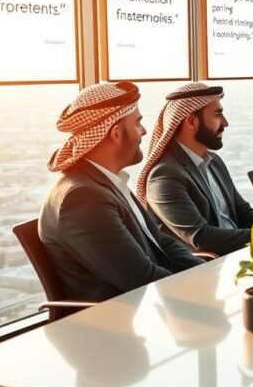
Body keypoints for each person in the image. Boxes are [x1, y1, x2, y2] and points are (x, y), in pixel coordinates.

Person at [39, 82, 203, 301]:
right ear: (116, 133)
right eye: (137, 123)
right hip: (127, 314)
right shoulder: (83, 199)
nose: (144, 131)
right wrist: (201, 292)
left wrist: (204, 273)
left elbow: (161, 242)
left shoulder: (101, 181)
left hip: (153, 302)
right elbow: (142, 279)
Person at [136, 82, 253, 256]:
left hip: (241, 251)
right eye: (217, 115)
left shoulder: (214, 161)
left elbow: (242, 211)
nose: (225, 123)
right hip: (211, 263)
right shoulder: (164, 176)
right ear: (191, 121)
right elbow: (202, 237)